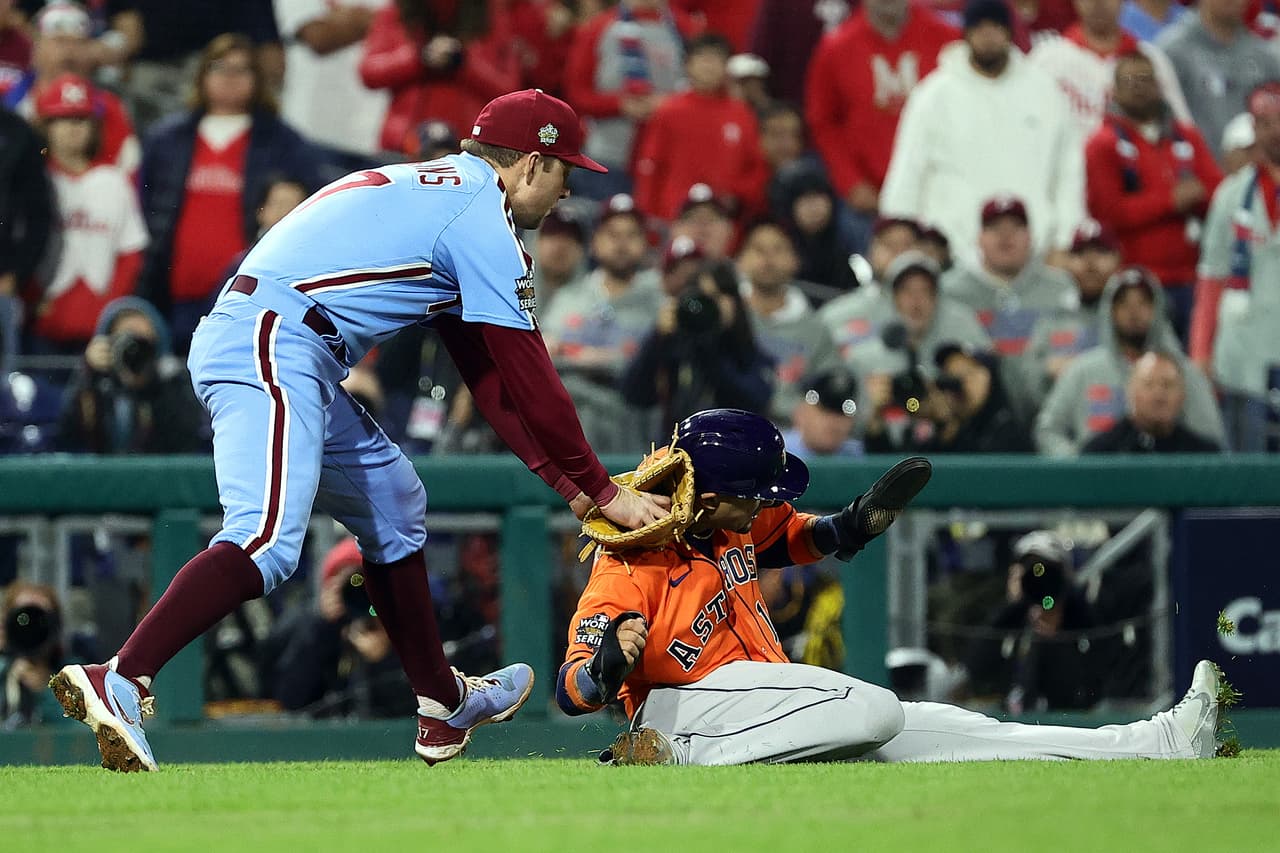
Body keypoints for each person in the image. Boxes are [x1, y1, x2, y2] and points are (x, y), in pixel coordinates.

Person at [48, 89, 671, 773]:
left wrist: (568, 485)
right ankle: (124, 675)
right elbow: (529, 375)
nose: (563, 195)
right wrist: (602, 489)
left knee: (395, 502)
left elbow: (485, 372)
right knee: (265, 540)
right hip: (272, 339)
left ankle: (442, 702)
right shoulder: (482, 216)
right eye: (563, 173)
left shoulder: (445, 195)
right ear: (529, 164)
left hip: (287, 342)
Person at [555, 408, 1222, 765]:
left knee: (956, 731)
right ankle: (669, 756)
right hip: (686, 710)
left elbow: (792, 534)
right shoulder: (630, 561)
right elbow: (572, 687)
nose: (765, 506)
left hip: (768, 707)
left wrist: (847, 527)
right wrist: (606, 665)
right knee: (877, 710)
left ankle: (1158, 741)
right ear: (710, 497)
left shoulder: (726, 522)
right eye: (754, 496)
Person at [137, 33, 328, 355]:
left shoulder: (283, 143)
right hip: (170, 295)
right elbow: (143, 209)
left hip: (245, 296)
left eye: (241, 70)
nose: (230, 78)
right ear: (202, 75)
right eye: (220, 68)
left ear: (257, 79)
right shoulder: (166, 139)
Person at [880, 0, 1084, 268]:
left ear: (1010, 33)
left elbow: (1068, 174)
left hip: (1037, 257)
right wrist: (899, 242)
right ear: (966, 34)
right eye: (980, 28)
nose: (988, 36)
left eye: (996, 27)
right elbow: (908, 172)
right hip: (953, 256)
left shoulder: (1045, 93)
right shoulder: (933, 97)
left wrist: (1065, 241)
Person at [1084, 50, 1221, 341]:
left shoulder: (1187, 137)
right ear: (1114, 91)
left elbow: (1217, 196)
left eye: (1145, 79)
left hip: (1189, 277)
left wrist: (1195, 198)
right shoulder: (1102, 144)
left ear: (1159, 86)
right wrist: (1170, 201)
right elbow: (1107, 214)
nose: (1138, 86)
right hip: (1135, 284)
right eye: (1129, 80)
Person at [1035, 266, 1225, 455]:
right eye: (1124, 304)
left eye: (1143, 303)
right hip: (1098, 474)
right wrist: (1079, 466)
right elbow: (1048, 429)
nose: (1133, 312)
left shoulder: (1182, 372)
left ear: (1157, 309)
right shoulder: (1082, 370)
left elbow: (1209, 436)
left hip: (1170, 476)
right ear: (1110, 310)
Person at [805, 0, 959, 221]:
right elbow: (823, 122)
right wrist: (851, 183)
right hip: (868, 197)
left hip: (938, 189)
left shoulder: (949, 42)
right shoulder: (834, 49)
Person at [28, 73, 148, 353]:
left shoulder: (114, 181)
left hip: (99, 323)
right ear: (46, 126)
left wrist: (111, 306)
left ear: (95, 126)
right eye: (62, 119)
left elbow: (131, 253)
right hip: (43, 320)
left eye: (81, 119)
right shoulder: (36, 180)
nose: (72, 128)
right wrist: (32, 297)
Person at [1191, 81, 1280, 450]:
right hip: (1244, 358)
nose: (1274, 131)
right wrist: (1200, 354)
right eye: (1264, 122)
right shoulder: (1230, 195)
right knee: (1248, 478)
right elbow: (1211, 280)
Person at [540, 193, 664, 453]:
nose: (621, 244)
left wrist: (575, 354)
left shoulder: (658, 298)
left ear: (645, 243)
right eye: (612, 234)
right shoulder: (571, 294)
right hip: (576, 422)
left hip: (636, 424)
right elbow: (546, 355)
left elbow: (655, 373)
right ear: (595, 242)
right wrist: (619, 359)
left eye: (631, 235)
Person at [562, 0, 703, 198]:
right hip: (609, 156)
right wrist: (620, 105)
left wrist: (671, 105)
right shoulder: (598, 29)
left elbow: (705, 92)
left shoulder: (687, 28)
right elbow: (576, 93)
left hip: (669, 162)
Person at [260, 537, 412, 718]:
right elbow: (288, 704)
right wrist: (322, 630)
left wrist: (384, 657)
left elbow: (413, 711)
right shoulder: (309, 628)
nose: (358, 590)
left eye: (365, 584)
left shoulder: (404, 630)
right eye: (348, 583)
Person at [621, 259, 774, 434]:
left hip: (734, 452)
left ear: (735, 302)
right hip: (679, 453)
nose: (711, 306)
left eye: (717, 297)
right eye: (703, 298)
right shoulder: (676, 348)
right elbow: (633, 394)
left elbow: (756, 400)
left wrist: (711, 350)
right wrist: (656, 338)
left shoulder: (748, 352)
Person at [964, 531, 1107, 714]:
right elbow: (975, 670)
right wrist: (1015, 606)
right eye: (1031, 570)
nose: (1040, 578)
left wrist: (1058, 625)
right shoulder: (1009, 624)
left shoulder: (1083, 623)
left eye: (1047, 570)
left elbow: (1097, 682)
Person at [632, 32, 767, 222]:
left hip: (723, 220)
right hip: (673, 217)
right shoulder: (668, 112)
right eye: (703, 58)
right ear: (688, 65)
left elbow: (757, 168)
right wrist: (648, 216)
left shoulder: (742, 114)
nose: (709, 65)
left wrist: (737, 193)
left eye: (717, 58)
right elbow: (651, 166)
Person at [358, 0, 520, 157]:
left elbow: (510, 89)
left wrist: (464, 63)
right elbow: (369, 72)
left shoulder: (490, 13)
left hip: (465, 150)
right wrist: (418, 58)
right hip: (402, 146)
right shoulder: (398, 9)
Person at [55, 297, 208, 454]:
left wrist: (152, 384)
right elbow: (68, 434)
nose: (135, 350)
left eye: (144, 341)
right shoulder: (97, 385)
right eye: (127, 339)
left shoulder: (169, 386)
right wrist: (88, 374)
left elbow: (186, 437)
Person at [1028, 0, 1191, 140]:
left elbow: (1183, 131)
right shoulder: (1047, 58)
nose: (1098, 3)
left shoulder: (1152, 59)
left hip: (1134, 171)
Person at [738, 220, 843, 425]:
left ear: (795, 260)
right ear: (741, 259)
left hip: (795, 438)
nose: (768, 259)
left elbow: (830, 387)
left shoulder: (816, 329)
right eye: (758, 249)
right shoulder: (727, 319)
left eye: (778, 249)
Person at [1157, 0, 1280, 162]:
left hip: (1258, 177)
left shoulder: (1265, 55)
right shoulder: (1171, 52)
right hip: (1202, 173)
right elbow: (1162, 124)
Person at [274, 0, 388, 169]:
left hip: (377, 133)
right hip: (312, 132)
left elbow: (411, 25)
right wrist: (384, 20)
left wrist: (347, 18)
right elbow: (319, 37)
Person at [1082, 349, 1223, 451]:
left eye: (1167, 385)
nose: (1159, 395)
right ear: (1132, 393)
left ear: (1182, 395)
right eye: (1148, 385)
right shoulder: (1100, 454)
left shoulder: (1203, 456)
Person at [1, 580, 72, 727]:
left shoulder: (76, 677)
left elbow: (87, 734)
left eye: (39, 620)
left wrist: (46, 691)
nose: (30, 630)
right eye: (22, 619)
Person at [780, 368, 864, 459]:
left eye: (841, 413)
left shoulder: (859, 456)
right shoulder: (776, 452)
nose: (833, 421)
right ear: (801, 413)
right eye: (825, 410)